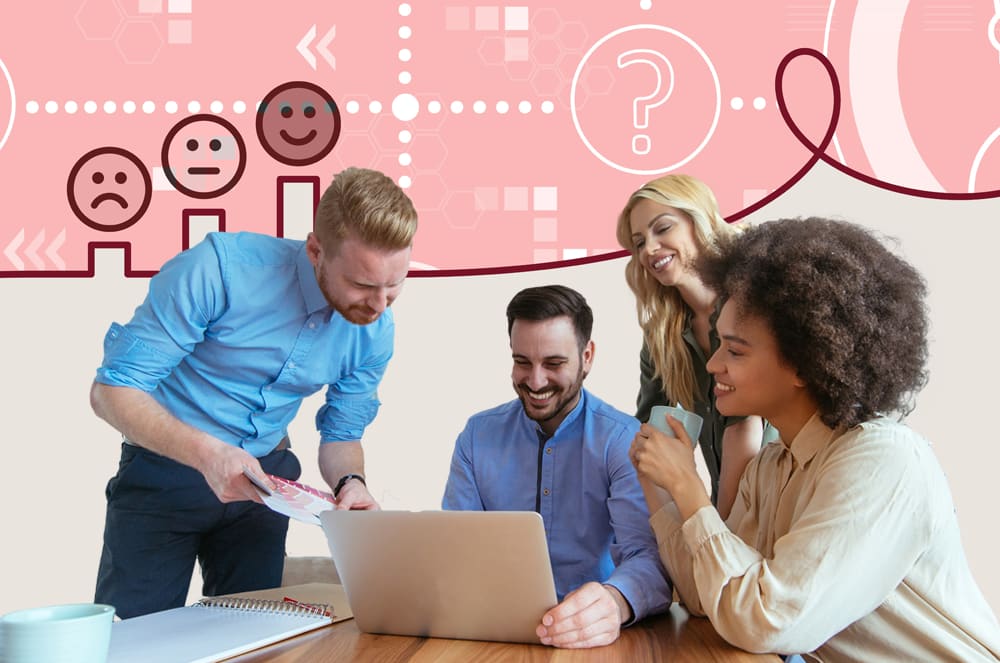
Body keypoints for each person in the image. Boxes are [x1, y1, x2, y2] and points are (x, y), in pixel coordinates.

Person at [630, 217, 1000, 661]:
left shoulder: (881, 461)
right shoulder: (771, 465)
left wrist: (691, 490)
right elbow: (710, 599)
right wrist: (660, 484)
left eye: (735, 350)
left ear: (805, 362)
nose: (713, 367)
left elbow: (766, 622)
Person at [91, 167, 418, 618]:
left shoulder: (374, 331)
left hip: (265, 486)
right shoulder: (218, 269)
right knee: (132, 640)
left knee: (251, 639)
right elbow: (113, 390)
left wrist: (351, 483)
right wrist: (209, 455)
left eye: (395, 285)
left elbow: (341, 435)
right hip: (165, 472)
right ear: (315, 251)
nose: (379, 305)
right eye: (363, 285)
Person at [442, 285, 671, 649]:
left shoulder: (624, 441)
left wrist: (615, 602)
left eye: (554, 364)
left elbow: (649, 558)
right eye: (522, 361)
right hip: (494, 635)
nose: (535, 381)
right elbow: (454, 549)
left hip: (593, 641)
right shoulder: (476, 437)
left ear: (588, 356)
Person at [616, 174, 770, 519]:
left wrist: (720, 534)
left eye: (662, 228)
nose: (649, 250)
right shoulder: (662, 335)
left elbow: (743, 431)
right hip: (724, 508)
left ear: (697, 222)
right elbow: (650, 435)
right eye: (639, 242)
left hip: (776, 507)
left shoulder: (750, 303)